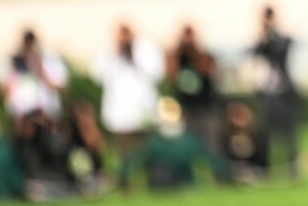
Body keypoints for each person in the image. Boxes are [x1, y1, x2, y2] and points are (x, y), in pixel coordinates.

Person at [93, 22, 163, 188]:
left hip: (142, 108)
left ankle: (150, 179)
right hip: (120, 109)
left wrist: (133, 55)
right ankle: (124, 181)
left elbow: (156, 73)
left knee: (146, 147)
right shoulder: (110, 53)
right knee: (123, 149)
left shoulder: (145, 50)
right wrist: (117, 52)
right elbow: (99, 76)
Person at [122, 97, 224, 192]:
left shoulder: (153, 142)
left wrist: (123, 180)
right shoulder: (189, 140)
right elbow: (212, 160)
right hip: (176, 184)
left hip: (173, 185)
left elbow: (133, 163)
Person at [251, 6, 301, 177]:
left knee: (290, 133)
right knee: (265, 133)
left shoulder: (281, 40)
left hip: (283, 93)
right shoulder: (261, 42)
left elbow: (286, 46)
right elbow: (255, 54)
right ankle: (265, 169)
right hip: (267, 93)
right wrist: (263, 36)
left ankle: (292, 169)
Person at [166, 24, 221, 157]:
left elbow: (209, 69)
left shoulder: (203, 55)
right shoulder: (177, 57)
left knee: (211, 142)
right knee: (187, 142)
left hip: (205, 107)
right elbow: (171, 75)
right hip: (186, 107)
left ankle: (215, 170)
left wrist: (194, 55)